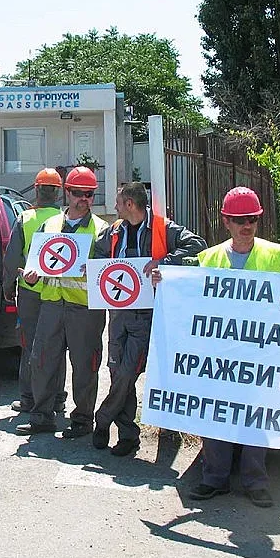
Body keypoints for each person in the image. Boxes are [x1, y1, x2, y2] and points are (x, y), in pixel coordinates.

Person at [178, 186, 280, 508]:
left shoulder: (274, 256)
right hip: (220, 354)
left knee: (256, 416)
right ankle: (215, 478)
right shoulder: (210, 258)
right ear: (226, 221)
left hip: (259, 353)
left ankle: (255, 481)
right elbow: (193, 299)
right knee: (216, 415)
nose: (247, 225)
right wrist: (167, 283)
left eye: (252, 219)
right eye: (240, 219)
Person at [92, 183, 207, 456]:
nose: (116, 208)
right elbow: (98, 253)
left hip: (147, 313)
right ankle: (128, 437)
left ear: (130, 204)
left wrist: (165, 261)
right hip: (118, 312)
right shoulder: (114, 231)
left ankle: (104, 417)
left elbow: (197, 245)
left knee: (129, 369)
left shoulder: (162, 228)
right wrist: (95, 268)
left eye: (119, 202)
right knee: (117, 370)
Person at [16, 166, 108, 438]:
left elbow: (107, 273)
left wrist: (93, 271)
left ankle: (81, 421)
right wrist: (31, 279)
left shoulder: (102, 230)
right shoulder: (50, 225)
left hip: (84, 310)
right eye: (78, 193)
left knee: (85, 366)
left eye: (89, 194)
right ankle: (42, 417)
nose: (84, 199)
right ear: (66, 193)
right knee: (42, 361)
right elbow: (38, 267)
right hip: (51, 304)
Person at [1, 168, 66, 415]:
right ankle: (57, 399)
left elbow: (12, 259)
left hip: (30, 292)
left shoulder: (25, 219)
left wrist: (9, 289)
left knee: (30, 346)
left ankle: (28, 399)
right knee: (56, 346)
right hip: (57, 293)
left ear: (36, 190)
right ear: (58, 193)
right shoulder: (65, 219)